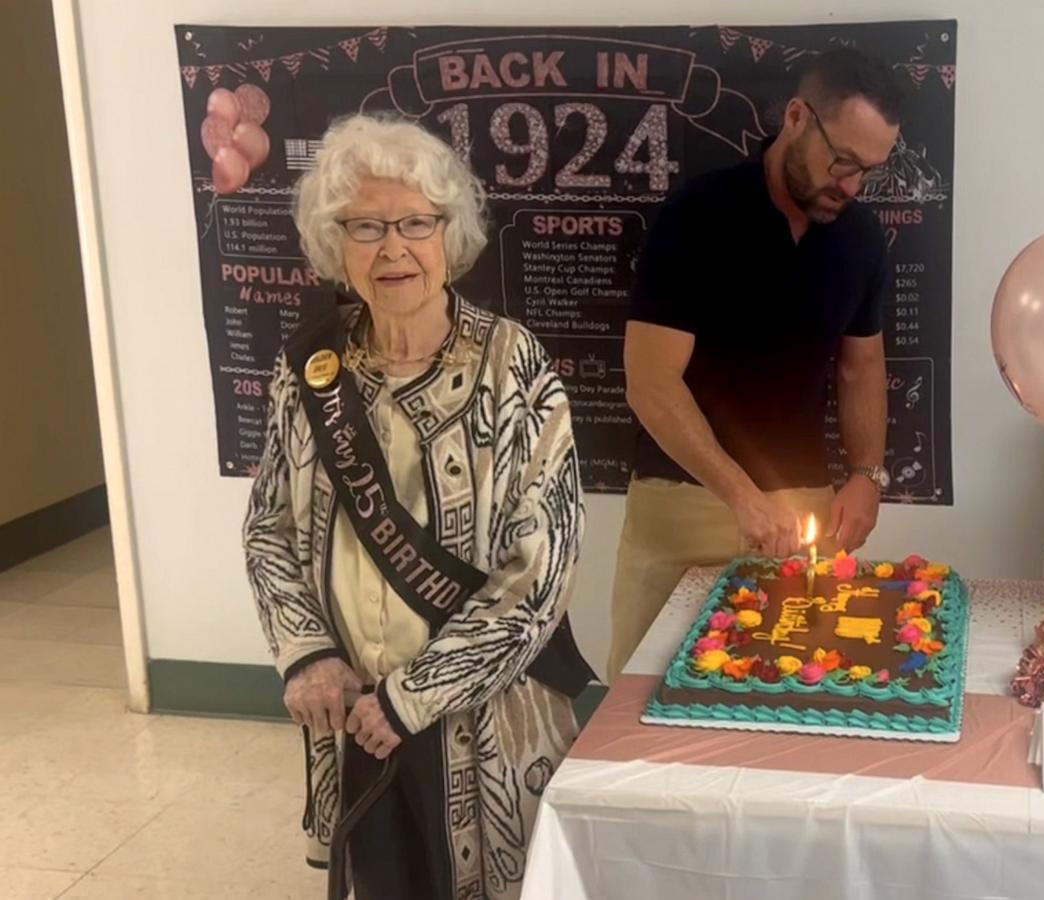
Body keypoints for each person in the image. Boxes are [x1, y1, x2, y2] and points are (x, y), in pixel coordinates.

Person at [243, 114, 594, 900]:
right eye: (364, 226)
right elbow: (269, 526)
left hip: (487, 717)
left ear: (449, 234)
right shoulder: (309, 369)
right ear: (338, 247)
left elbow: (541, 569)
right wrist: (306, 655)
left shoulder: (515, 365)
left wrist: (415, 696)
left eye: (414, 223)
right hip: (353, 712)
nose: (392, 248)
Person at [609, 48, 903, 680]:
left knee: (790, 694)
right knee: (642, 704)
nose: (850, 186)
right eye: (843, 161)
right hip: (681, 501)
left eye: (867, 172)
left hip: (802, 504)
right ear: (796, 117)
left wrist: (867, 475)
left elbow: (862, 368)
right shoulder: (696, 216)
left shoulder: (862, 239)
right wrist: (739, 494)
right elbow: (651, 383)